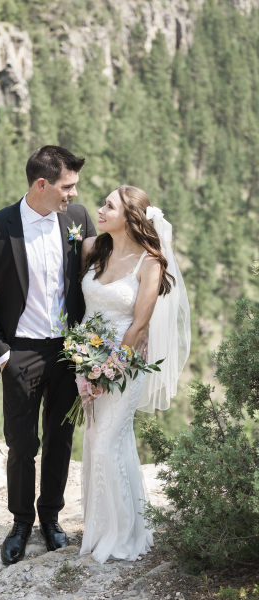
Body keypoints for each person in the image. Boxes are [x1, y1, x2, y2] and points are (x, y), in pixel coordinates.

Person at [0, 145, 96, 566]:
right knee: (22, 444)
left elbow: (97, 277)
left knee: (60, 439)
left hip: (67, 352)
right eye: (67, 186)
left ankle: (51, 518)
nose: (73, 194)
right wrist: (2, 354)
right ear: (42, 184)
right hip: (19, 352)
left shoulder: (77, 221)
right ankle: (21, 522)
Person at [79, 185, 190, 564]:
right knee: (95, 441)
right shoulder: (92, 248)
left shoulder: (151, 263)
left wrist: (106, 370)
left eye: (108, 206)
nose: (100, 209)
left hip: (124, 366)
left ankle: (124, 534)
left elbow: (139, 326)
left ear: (130, 217)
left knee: (109, 443)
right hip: (87, 359)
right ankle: (99, 528)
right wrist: (84, 363)